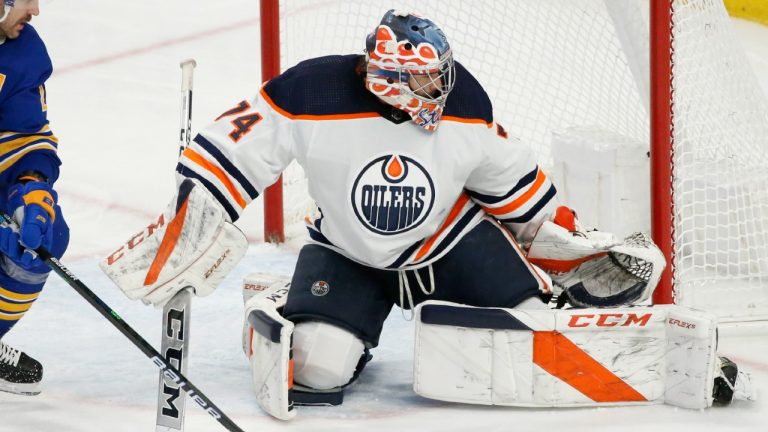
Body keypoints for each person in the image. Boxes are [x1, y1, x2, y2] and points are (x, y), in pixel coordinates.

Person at [100, 9, 748, 419]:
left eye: (440, 75)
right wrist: (195, 212)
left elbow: (519, 193)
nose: (442, 87)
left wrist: (577, 244)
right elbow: (227, 149)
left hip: (451, 241)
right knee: (319, 371)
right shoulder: (308, 91)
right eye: (427, 80)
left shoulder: (466, 103)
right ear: (387, 77)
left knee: (532, 332)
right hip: (348, 254)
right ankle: (277, 305)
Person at [0, 0, 69, 395]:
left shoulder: (23, 51)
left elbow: (24, 137)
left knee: (44, 235)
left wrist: (32, 187)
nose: (36, 9)